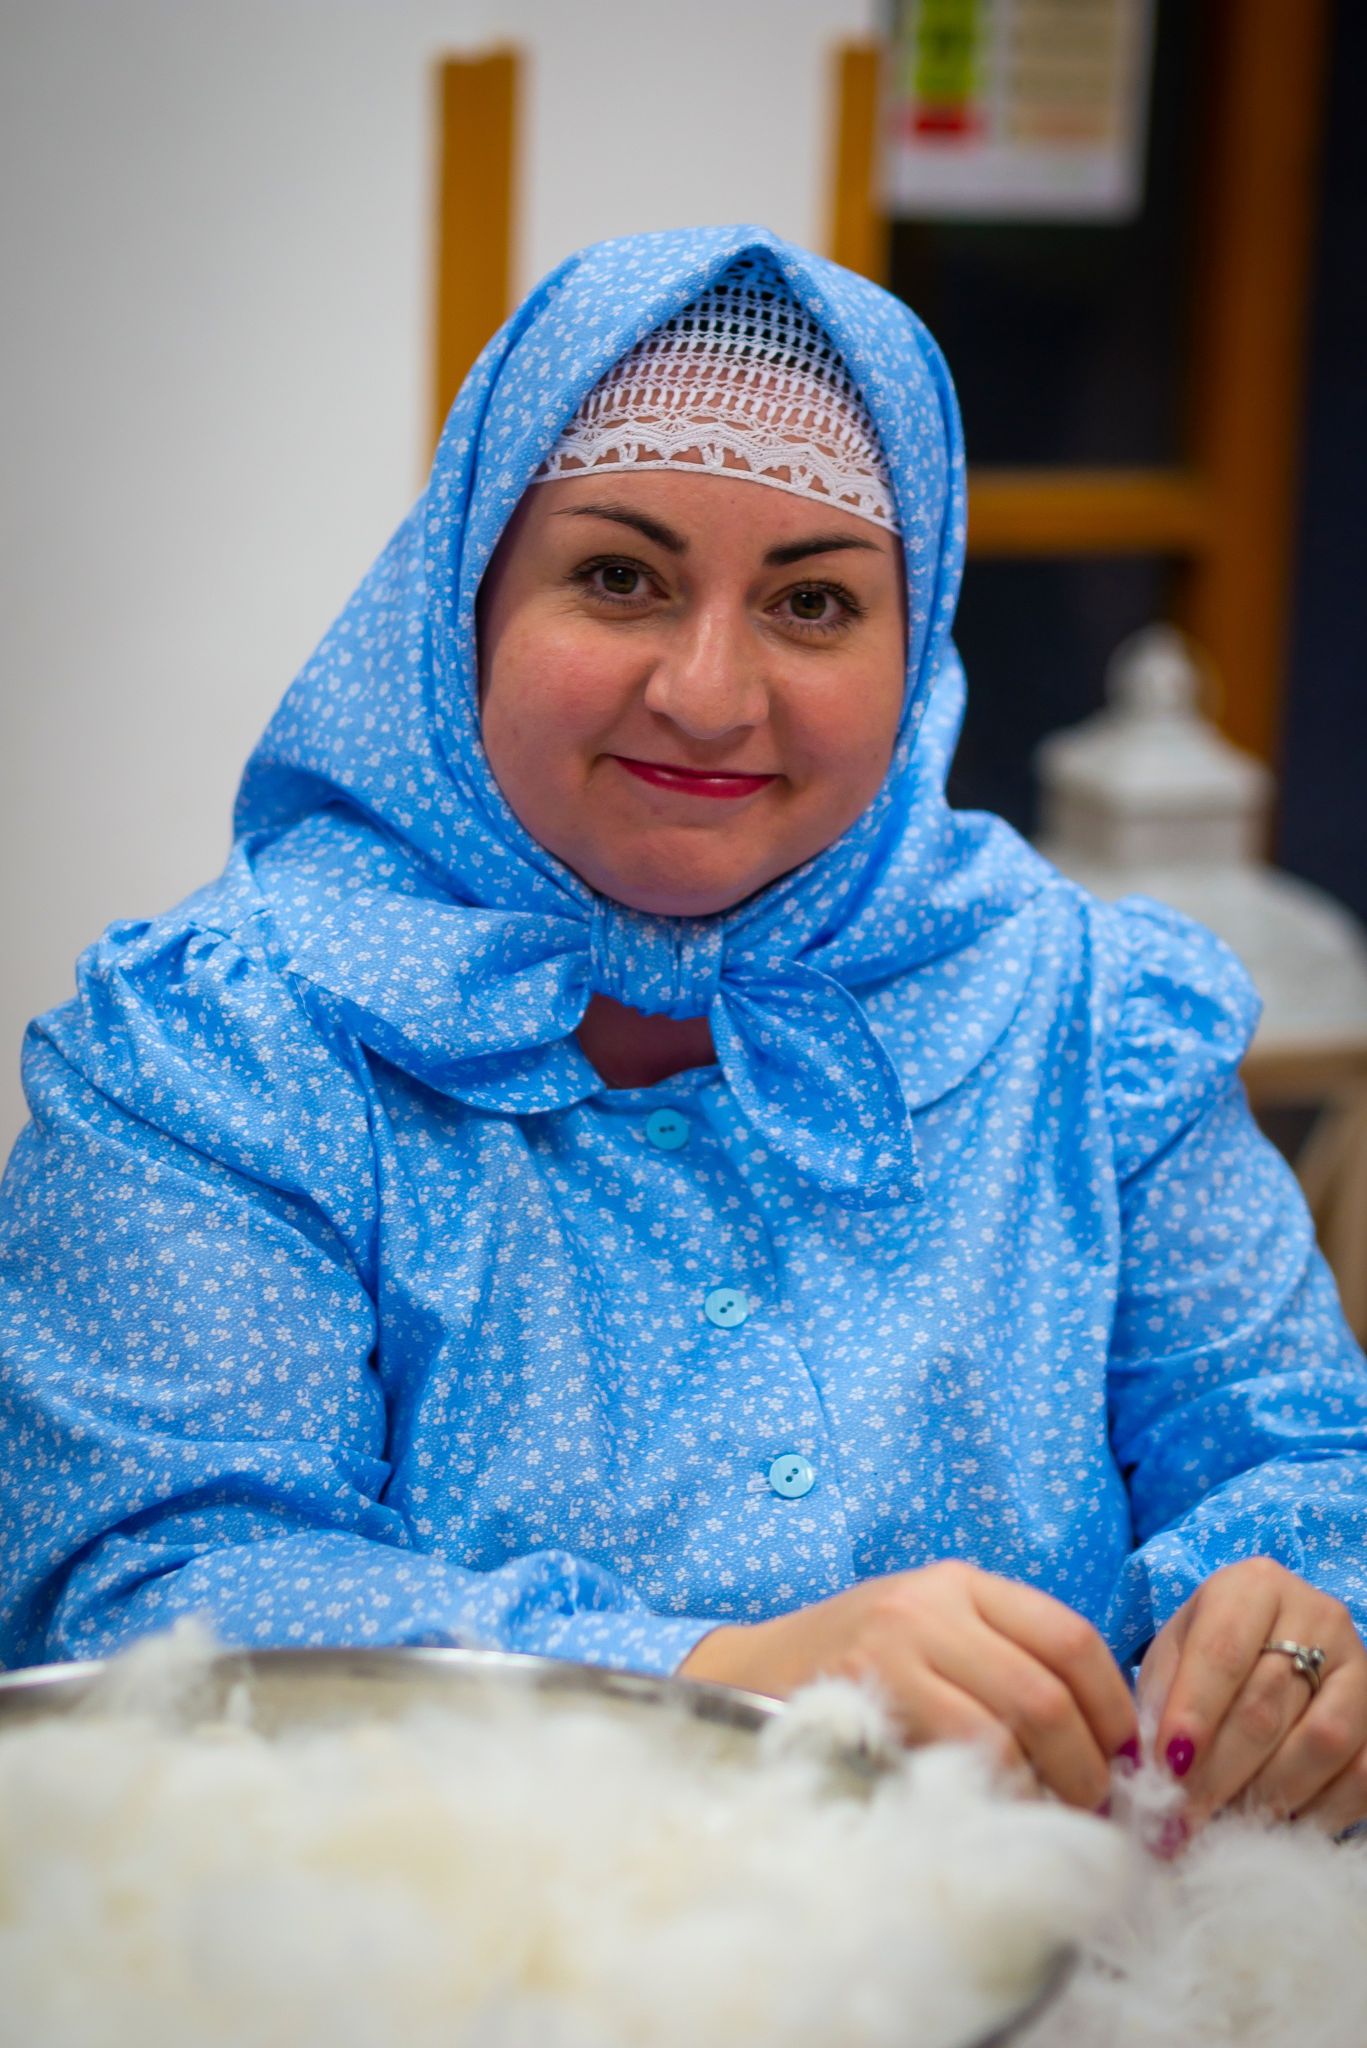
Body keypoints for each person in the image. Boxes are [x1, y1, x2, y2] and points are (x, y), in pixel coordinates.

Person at [3, 225, 1366, 1837]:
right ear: (463, 601)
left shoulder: (1087, 1016)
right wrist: (708, 1681)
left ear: (916, 647)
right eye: (619, 579)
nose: (710, 696)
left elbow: (1299, 1455)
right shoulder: (221, 1052)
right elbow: (150, 1590)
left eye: (814, 601)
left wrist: (1297, 1632)